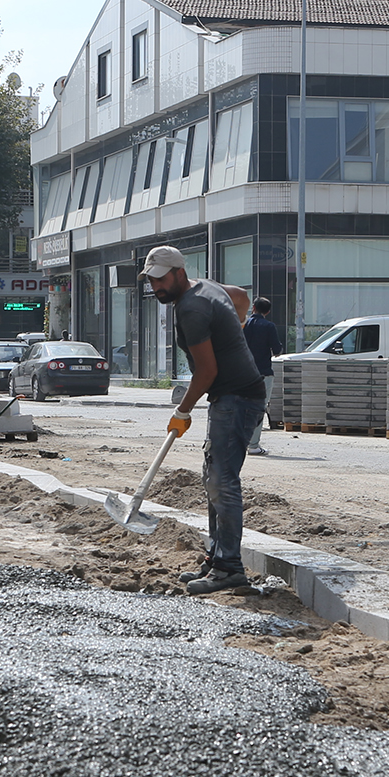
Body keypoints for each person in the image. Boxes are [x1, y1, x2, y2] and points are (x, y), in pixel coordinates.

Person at [143, 245, 259, 595]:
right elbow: (240, 297)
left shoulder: (191, 308)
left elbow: (207, 371)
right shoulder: (205, 287)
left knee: (222, 482)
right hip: (236, 395)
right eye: (151, 281)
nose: (156, 287)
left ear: (179, 272)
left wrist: (183, 410)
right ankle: (216, 556)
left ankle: (229, 568)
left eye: (161, 279)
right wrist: (234, 329)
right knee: (213, 478)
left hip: (237, 396)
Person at [241, 296, 281, 456]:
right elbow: (277, 350)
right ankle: (253, 445)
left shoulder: (244, 325)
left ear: (253, 308)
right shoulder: (269, 326)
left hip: (243, 373)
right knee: (258, 408)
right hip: (263, 373)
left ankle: (239, 442)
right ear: (268, 311)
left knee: (241, 408)